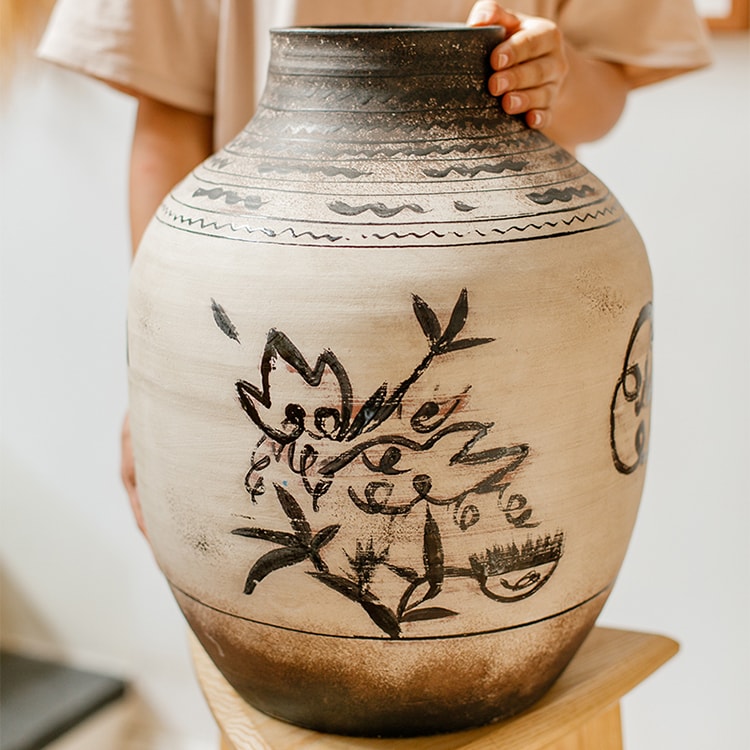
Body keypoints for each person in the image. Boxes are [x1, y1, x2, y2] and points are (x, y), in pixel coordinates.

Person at [38, 0, 711, 536]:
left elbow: (609, 84)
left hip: (506, 304)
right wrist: (159, 382)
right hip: (253, 317)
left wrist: (548, 72)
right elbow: (168, 114)